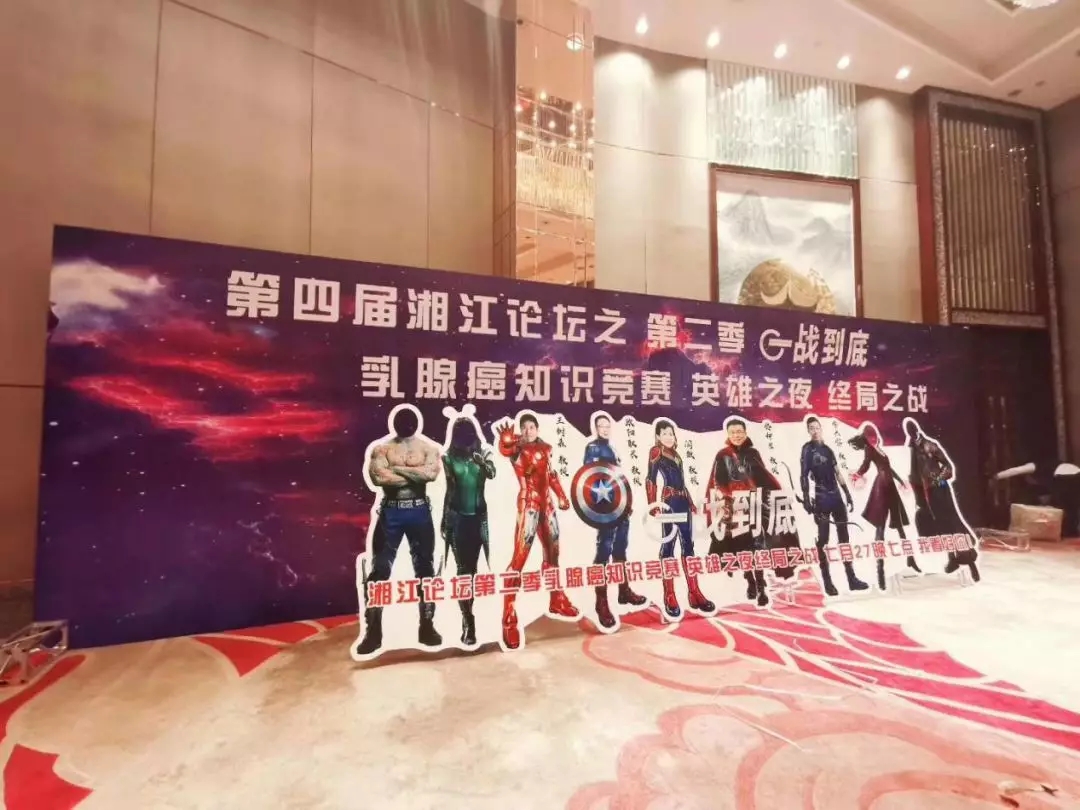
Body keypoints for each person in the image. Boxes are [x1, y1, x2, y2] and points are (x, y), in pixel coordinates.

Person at [355, 406, 443, 657]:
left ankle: (427, 627)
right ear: (394, 423)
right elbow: (379, 478)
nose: (406, 423)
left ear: (417, 422)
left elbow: (430, 475)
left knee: (425, 569)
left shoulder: (428, 448)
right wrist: (415, 474)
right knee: (379, 570)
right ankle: (373, 633)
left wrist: (397, 469)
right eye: (401, 420)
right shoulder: (382, 449)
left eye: (409, 419)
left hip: (419, 510)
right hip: (391, 511)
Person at [496, 413, 578, 650]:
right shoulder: (517, 448)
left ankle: (556, 598)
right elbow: (506, 449)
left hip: (547, 504)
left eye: (532, 426)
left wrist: (561, 495)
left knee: (553, 554)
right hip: (529, 504)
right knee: (519, 558)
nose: (529, 430)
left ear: (537, 428)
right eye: (525, 427)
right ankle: (509, 613)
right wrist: (506, 441)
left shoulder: (546, 448)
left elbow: (551, 475)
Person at [706, 418, 785, 607]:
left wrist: (767, 496)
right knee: (742, 546)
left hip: (755, 504)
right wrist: (731, 498)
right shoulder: (722, 455)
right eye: (733, 432)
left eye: (739, 431)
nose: (737, 435)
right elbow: (719, 482)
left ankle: (761, 586)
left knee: (757, 545)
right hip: (736, 507)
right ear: (728, 434)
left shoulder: (753, 453)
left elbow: (763, 477)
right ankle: (750, 580)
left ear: (745, 432)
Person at [582, 414, 646, 630]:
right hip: (605, 508)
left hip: (619, 505)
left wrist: (625, 502)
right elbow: (590, 477)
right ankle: (601, 602)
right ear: (595, 427)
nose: (604, 429)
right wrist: (600, 507)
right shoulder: (593, 448)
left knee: (620, 548)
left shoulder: (612, 447)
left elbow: (617, 478)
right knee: (604, 550)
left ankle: (623, 590)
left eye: (607, 426)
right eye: (601, 426)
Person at [646, 420, 714, 619]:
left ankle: (695, 592)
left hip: (682, 502)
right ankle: (670, 595)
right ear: (658, 436)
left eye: (671, 433)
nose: (669, 437)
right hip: (669, 503)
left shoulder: (676, 455)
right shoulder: (656, 452)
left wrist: (691, 502)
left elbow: (682, 482)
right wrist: (653, 503)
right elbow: (650, 478)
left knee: (688, 546)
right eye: (664, 433)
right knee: (668, 546)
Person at [441, 415, 496, 648]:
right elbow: (449, 490)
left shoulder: (484, 453)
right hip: (457, 518)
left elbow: (492, 473)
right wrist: (444, 520)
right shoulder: (448, 458)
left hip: (478, 518)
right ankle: (468, 620)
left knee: (472, 571)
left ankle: (469, 615)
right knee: (464, 572)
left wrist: (481, 462)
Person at [904, 418, 980, 582]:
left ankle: (970, 562)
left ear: (917, 430)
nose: (912, 433)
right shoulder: (911, 448)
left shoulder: (929, 445)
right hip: (925, 493)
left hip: (939, 489)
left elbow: (948, 466)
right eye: (909, 431)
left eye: (913, 430)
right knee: (942, 527)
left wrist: (938, 479)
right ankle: (952, 558)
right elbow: (915, 473)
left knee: (954, 524)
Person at [799, 416, 868, 595]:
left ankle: (851, 579)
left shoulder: (828, 450)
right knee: (823, 540)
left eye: (817, 427)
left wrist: (847, 494)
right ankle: (827, 582)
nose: (815, 430)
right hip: (821, 498)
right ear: (808, 431)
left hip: (836, 497)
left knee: (844, 538)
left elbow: (838, 473)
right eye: (811, 428)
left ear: (821, 429)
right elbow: (803, 475)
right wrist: (806, 498)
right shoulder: (807, 449)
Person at [848, 424, 920, 591]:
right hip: (881, 487)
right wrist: (858, 474)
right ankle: (880, 572)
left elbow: (889, 468)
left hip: (890, 487)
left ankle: (910, 559)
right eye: (871, 435)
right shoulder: (870, 449)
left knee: (899, 525)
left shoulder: (879, 449)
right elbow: (866, 465)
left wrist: (900, 480)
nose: (874, 437)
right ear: (868, 437)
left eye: (874, 434)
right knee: (880, 529)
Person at [994, 459, 1080, 538]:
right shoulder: (1047, 476)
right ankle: (1072, 531)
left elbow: (1017, 470)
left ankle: (1068, 531)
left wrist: (997, 476)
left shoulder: (1036, 466)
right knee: (1072, 507)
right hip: (1075, 475)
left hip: (1065, 477)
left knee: (1064, 507)